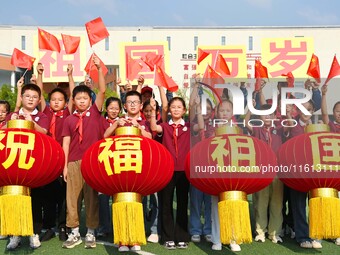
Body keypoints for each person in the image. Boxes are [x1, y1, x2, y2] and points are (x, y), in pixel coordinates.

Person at [61, 56, 106, 249]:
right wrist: (64, 166)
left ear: (90, 100)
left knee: (91, 198)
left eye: (85, 98)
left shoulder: (95, 112)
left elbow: (103, 90)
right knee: (72, 198)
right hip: (72, 163)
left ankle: (90, 231)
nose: (81, 100)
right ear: (73, 100)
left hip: (91, 161)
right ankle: (74, 232)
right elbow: (66, 143)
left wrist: (98, 68)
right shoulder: (69, 119)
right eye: (78, 98)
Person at [5, 82, 49, 250]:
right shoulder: (13, 115)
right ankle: (15, 234)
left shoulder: (42, 116)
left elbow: (45, 133)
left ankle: (34, 233)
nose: (31, 99)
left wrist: (32, 123)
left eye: (34, 97)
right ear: (21, 98)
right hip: (15, 164)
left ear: (39, 100)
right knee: (15, 199)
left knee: (35, 200)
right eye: (27, 96)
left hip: (33, 164)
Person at [35, 63, 74, 243]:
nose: (56, 102)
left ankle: (63, 226)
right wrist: (40, 74)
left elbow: (73, 95)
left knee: (64, 195)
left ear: (65, 102)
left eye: (60, 99)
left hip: (64, 158)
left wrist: (70, 76)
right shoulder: (46, 113)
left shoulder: (68, 114)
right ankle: (48, 226)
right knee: (48, 194)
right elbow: (39, 94)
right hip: (47, 159)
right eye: (54, 99)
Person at [150, 96, 191, 250]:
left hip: (183, 171)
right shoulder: (166, 126)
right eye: (173, 107)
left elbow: (200, 125)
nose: (176, 110)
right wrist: (154, 111)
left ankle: (181, 237)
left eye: (179, 107)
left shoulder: (188, 127)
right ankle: (168, 237)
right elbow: (154, 128)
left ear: (184, 110)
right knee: (166, 204)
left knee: (182, 204)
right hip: (167, 170)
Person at [245, 103, 284, 244]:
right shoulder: (257, 130)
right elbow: (246, 122)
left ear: (275, 116)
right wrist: (251, 107)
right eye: (264, 113)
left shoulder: (279, 129)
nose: (267, 116)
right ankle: (260, 232)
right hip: (261, 171)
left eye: (271, 114)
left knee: (277, 203)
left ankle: (275, 233)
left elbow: (290, 123)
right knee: (261, 202)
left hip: (277, 172)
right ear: (259, 116)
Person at [285, 100, 323, 249]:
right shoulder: (292, 124)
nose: (306, 112)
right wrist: (288, 115)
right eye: (303, 109)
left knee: (314, 203)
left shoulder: (317, 127)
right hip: (297, 172)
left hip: (315, 172)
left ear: (313, 111)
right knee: (299, 204)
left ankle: (315, 235)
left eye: (309, 109)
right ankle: (302, 236)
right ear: (298, 111)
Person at [97, 97, 122, 238]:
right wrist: (116, 125)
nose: (114, 111)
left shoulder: (123, 121)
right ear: (107, 109)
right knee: (103, 197)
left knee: (118, 197)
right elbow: (104, 136)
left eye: (116, 108)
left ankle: (118, 226)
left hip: (119, 164)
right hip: (104, 163)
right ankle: (105, 227)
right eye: (111, 108)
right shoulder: (101, 121)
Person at [321, 85, 340, 246]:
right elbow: (324, 114)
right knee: (332, 201)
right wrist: (324, 95)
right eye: (338, 111)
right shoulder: (332, 126)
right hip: (334, 171)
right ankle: (332, 231)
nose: (339, 114)